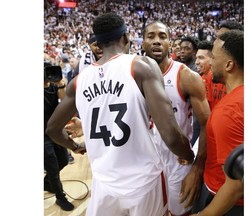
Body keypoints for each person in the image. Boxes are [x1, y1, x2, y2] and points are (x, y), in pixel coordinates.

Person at [46, 12, 195, 216]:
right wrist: (188, 155)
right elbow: (170, 134)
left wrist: (76, 147)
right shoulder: (140, 66)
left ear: (98, 44)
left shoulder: (79, 80)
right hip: (143, 182)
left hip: (104, 182)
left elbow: (53, 129)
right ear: (126, 37)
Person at [142, 20, 210, 216]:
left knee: (179, 213)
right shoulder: (131, 75)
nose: (156, 41)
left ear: (170, 43)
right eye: (151, 36)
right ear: (142, 43)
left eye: (162, 37)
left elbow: (206, 124)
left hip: (178, 159)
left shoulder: (186, 76)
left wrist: (197, 167)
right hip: (145, 159)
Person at [190, 29, 244, 216]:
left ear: (229, 65)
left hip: (227, 201)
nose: (210, 61)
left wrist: (204, 214)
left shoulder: (228, 111)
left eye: (213, 56)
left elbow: (237, 184)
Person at [44, 63, 74, 211]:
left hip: (55, 131)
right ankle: (60, 197)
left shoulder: (54, 87)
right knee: (53, 167)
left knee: (63, 161)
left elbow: (65, 102)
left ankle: (47, 181)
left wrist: (60, 84)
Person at [195, 40, 227, 111]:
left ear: (212, 58)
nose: (196, 62)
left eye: (201, 58)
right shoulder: (202, 77)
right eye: (196, 58)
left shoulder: (221, 77)